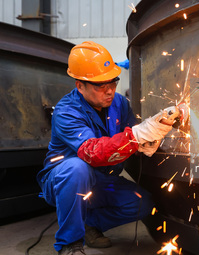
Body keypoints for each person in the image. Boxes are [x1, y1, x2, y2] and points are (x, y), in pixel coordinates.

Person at [36, 41, 178, 255]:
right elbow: (92, 152)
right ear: (80, 85)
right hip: (63, 181)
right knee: (77, 168)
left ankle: (89, 225)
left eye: (112, 82)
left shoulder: (120, 103)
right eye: (101, 86)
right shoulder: (66, 112)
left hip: (101, 181)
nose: (110, 90)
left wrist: (151, 138)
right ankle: (70, 244)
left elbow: (131, 134)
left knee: (142, 203)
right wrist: (138, 135)